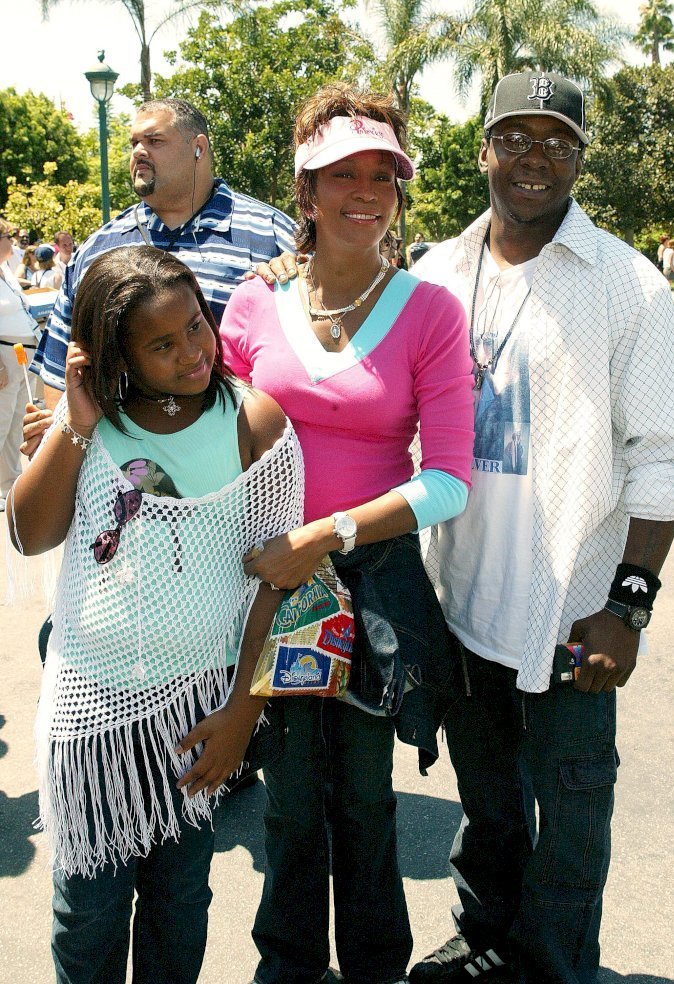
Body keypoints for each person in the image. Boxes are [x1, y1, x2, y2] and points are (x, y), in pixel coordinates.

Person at [260, 70, 674, 984]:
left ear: (582, 158)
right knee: (490, 802)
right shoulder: (436, 271)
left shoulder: (627, 286)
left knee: (572, 813)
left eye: (557, 141)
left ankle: (553, 965)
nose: (535, 157)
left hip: (571, 608)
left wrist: (629, 604)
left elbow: (667, 456)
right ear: (483, 152)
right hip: (459, 600)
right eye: (515, 137)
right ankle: (484, 940)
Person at [221, 82, 474, 984]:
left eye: (383, 175)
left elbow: (447, 483)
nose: (364, 192)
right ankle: (286, 967)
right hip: (268, 586)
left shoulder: (432, 312)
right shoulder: (252, 308)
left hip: (371, 586)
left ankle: (374, 970)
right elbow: (213, 442)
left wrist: (324, 535)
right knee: (288, 806)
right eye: (341, 175)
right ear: (305, 190)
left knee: (366, 803)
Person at [6, 245, 304, 984]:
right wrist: (75, 424)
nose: (191, 353)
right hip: (90, 715)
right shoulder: (92, 426)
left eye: (196, 327)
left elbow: (274, 584)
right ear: (117, 355)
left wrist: (243, 713)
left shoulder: (254, 423)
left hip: (199, 714)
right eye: (162, 345)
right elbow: (29, 532)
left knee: (179, 901)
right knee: (88, 913)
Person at [29, 97, 296, 394]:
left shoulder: (273, 237)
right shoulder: (96, 250)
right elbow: (60, 370)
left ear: (199, 148)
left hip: (242, 435)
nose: (139, 152)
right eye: (134, 144)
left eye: (155, 141)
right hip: (119, 438)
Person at [0, 219, 39, 512]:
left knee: (15, 421)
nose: (11, 241)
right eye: (6, 236)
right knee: (1, 421)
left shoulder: (5, 272)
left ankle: (8, 480)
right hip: (4, 356)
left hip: (23, 354)